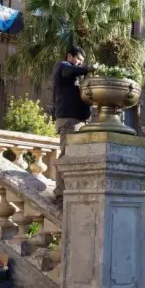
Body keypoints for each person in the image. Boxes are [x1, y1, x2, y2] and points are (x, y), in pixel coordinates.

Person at [51, 46, 92, 200]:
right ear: (69, 56)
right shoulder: (62, 66)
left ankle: (72, 189)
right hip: (69, 120)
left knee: (78, 157)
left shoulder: (75, 73)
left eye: (82, 61)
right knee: (66, 155)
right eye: (79, 59)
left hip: (78, 121)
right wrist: (88, 68)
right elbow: (70, 71)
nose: (81, 63)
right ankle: (61, 192)